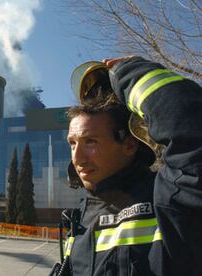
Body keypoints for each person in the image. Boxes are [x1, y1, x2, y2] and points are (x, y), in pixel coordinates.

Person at [53, 56, 202, 276]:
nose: (78, 158)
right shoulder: (83, 216)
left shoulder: (169, 198)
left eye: (90, 142)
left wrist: (132, 74)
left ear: (129, 145)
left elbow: (193, 132)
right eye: (72, 143)